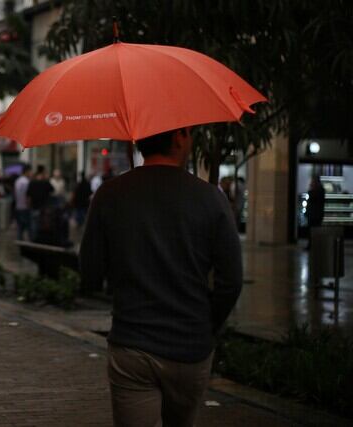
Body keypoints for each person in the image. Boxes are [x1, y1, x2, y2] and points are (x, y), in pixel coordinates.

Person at [80, 127, 242, 427]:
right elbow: (231, 280)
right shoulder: (210, 198)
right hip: (191, 346)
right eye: (189, 133)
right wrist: (206, 323)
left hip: (133, 345)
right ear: (179, 137)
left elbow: (89, 273)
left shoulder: (110, 194)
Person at [26, 165, 54, 241]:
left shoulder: (32, 182)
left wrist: (29, 205)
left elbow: (28, 196)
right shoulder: (45, 182)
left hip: (34, 206)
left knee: (33, 224)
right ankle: (39, 240)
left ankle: (33, 239)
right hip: (43, 208)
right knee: (41, 225)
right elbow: (52, 190)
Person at [306, 175, 326, 250]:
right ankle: (312, 244)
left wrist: (311, 189)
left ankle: (313, 245)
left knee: (314, 230)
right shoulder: (320, 190)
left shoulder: (318, 190)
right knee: (312, 231)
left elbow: (312, 198)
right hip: (314, 214)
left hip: (315, 215)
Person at [14, 165, 32, 240]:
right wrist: (29, 205)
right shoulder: (26, 182)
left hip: (18, 206)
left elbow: (15, 193)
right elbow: (27, 195)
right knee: (27, 227)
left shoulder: (18, 181)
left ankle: (19, 240)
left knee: (20, 227)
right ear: (27, 172)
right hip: (25, 207)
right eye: (30, 172)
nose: (31, 173)